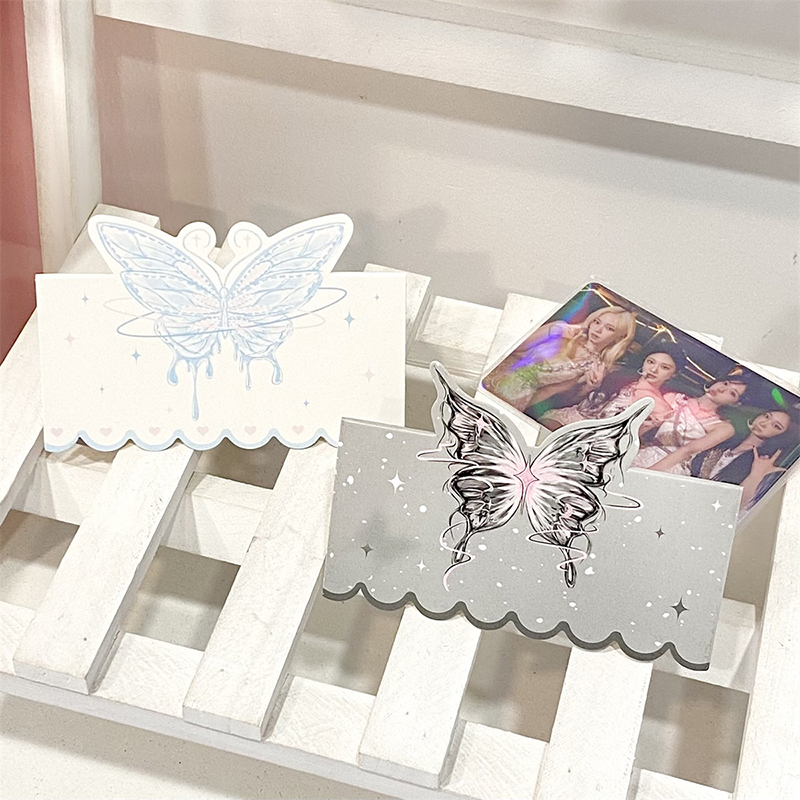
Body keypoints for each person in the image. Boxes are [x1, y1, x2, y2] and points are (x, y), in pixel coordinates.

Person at [482, 306, 637, 413]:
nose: (598, 329)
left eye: (609, 328)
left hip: (514, 401)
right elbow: (513, 348)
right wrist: (554, 332)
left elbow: (553, 393)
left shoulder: (594, 367)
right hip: (492, 376)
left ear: (619, 338)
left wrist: (589, 387)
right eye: (597, 322)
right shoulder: (561, 329)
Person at [539, 341, 686, 429]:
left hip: (593, 441)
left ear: (673, 374)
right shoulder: (619, 376)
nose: (653, 369)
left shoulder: (659, 406)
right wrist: (590, 387)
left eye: (664, 367)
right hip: (569, 419)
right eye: (651, 362)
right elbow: (570, 400)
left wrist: (644, 427)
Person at [631, 372, 752, 475]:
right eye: (725, 383)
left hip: (672, 467)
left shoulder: (723, 427)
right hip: (644, 454)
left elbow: (687, 450)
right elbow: (642, 426)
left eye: (732, 393)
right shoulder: (674, 398)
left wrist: (649, 473)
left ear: (735, 403)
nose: (721, 389)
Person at [691, 408, 795, 510]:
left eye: (776, 426)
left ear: (782, 436)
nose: (763, 423)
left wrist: (756, 475)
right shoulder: (727, 436)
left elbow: (735, 506)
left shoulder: (762, 464)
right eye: (766, 416)